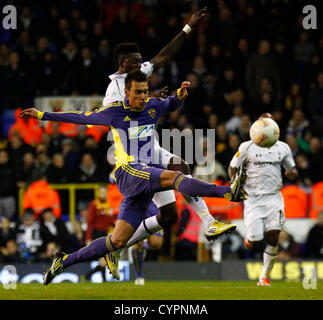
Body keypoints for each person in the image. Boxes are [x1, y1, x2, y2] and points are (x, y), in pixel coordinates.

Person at [21, 71, 246, 285]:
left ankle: (64, 260)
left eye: (145, 91)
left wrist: (179, 95)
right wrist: (42, 114)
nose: (143, 96)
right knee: (177, 176)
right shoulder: (114, 112)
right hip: (129, 172)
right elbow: (79, 117)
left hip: (145, 172)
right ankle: (227, 192)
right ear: (126, 92)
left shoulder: (152, 106)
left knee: (118, 240)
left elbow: (170, 104)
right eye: (138, 92)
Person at [102, 8, 235, 283]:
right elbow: (122, 117)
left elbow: (162, 57)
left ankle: (209, 223)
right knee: (175, 187)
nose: (143, 66)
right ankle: (116, 245)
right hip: (134, 157)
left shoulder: (137, 76)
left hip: (152, 147)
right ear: (124, 64)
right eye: (137, 62)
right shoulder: (113, 91)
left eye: (142, 62)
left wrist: (187, 28)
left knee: (173, 206)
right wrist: (152, 102)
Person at [228, 112, 298, 286]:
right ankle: (250, 239)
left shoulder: (283, 147)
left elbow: (292, 169)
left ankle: (264, 276)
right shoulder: (247, 147)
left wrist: (292, 173)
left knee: (274, 235)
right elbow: (232, 167)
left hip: (274, 197)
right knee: (256, 239)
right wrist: (235, 185)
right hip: (253, 199)